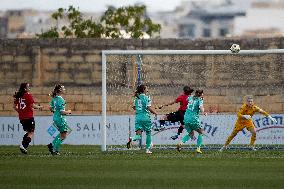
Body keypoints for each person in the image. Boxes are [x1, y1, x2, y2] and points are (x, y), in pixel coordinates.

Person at [127, 84, 158, 154]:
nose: (147, 90)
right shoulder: (147, 97)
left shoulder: (136, 98)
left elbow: (134, 107)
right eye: (146, 88)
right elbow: (148, 108)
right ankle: (147, 150)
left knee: (138, 135)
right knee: (148, 133)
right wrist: (155, 113)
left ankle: (132, 138)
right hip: (145, 117)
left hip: (138, 118)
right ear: (143, 90)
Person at [13, 83, 43, 154]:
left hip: (22, 118)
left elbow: (14, 107)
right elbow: (32, 105)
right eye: (28, 87)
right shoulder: (28, 95)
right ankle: (24, 146)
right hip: (29, 117)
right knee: (31, 132)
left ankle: (23, 144)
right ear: (24, 88)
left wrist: (20, 112)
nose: (29, 88)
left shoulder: (18, 96)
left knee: (29, 132)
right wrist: (39, 107)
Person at [177, 89, 207, 154]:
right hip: (193, 119)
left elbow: (187, 100)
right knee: (201, 132)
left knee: (191, 133)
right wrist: (203, 112)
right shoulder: (200, 100)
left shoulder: (190, 97)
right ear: (201, 94)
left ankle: (181, 143)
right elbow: (201, 107)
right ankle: (198, 148)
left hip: (186, 118)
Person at [47, 84, 72, 155]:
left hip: (55, 117)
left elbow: (50, 108)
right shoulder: (61, 99)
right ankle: (55, 148)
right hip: (61, 118)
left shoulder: (54, 98)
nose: (64, 89)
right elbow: (62, 112)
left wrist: (55, 112)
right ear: (60, 90)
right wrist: (69, 112)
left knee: (63, 133)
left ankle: (53, 146)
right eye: (63, 88)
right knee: (64, 135)